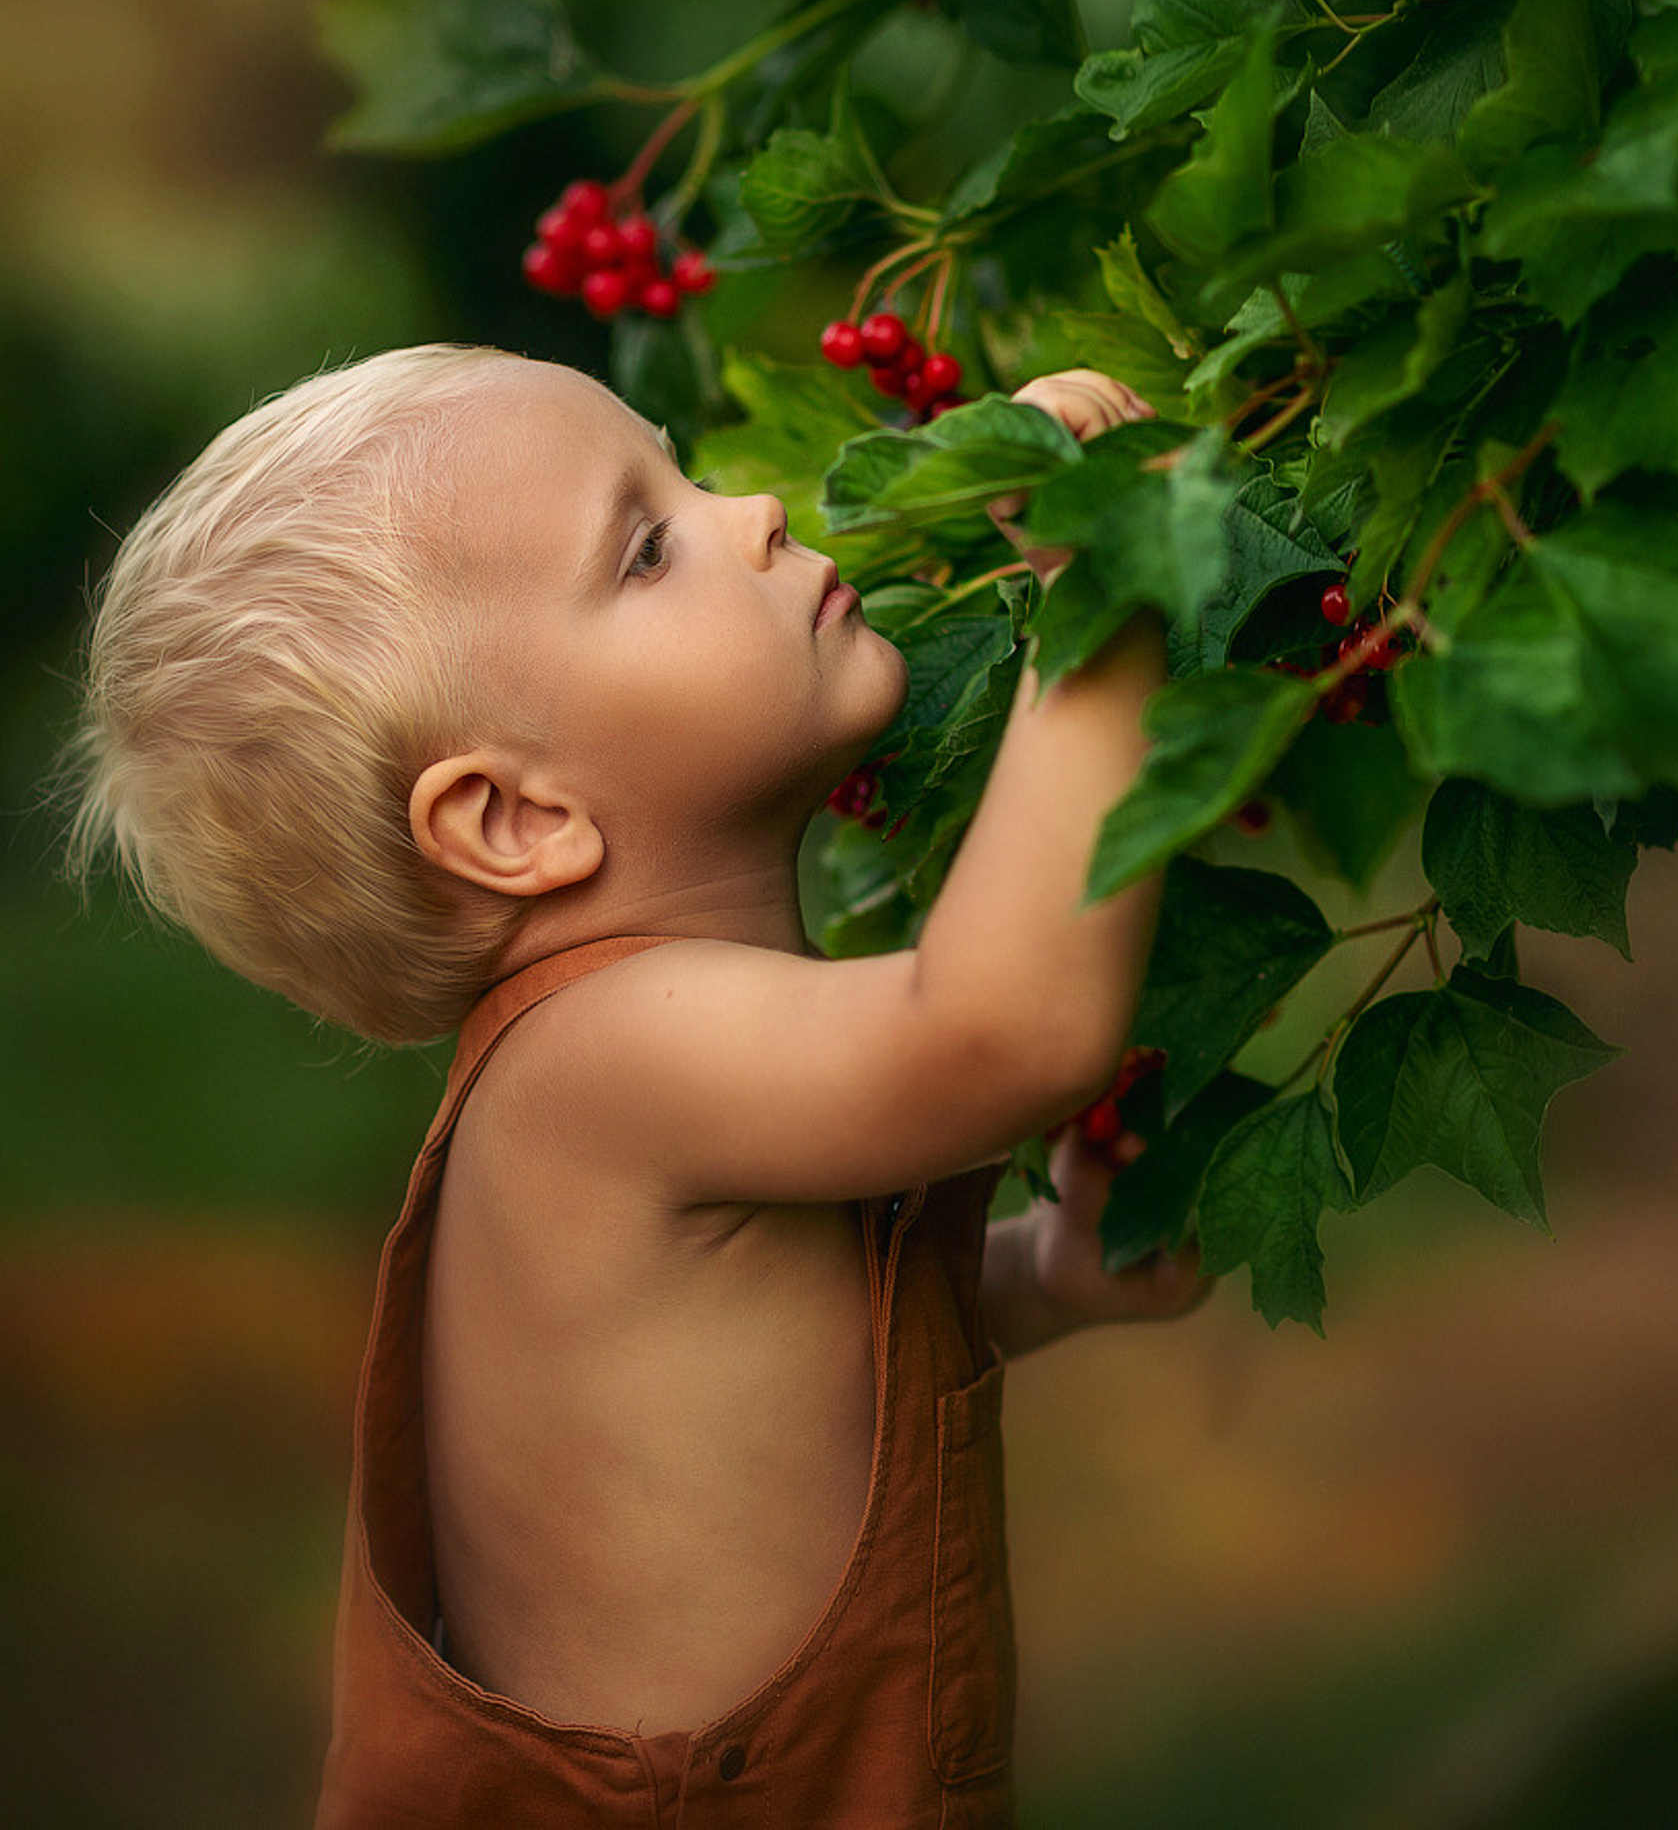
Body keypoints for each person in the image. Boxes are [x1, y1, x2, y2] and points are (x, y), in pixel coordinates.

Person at [65, 344, 1208, 1825]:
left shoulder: (629, 1084)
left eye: (684, 470)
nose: (754, 513)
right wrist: (1106, 593)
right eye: (649, 546)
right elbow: (1001, 1032)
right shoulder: (606, 1068)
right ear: (512, 818)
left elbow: (782, 1393)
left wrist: (1046, 1277)